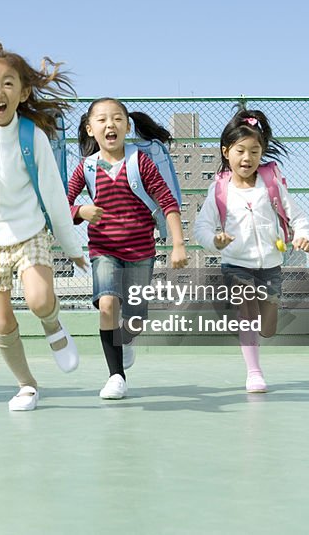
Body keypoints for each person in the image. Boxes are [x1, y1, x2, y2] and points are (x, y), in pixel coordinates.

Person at [0, 40, 85, 412]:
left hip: (28, 231)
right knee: (1, 320)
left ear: (23, 91)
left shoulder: (32, 135)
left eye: (9, 83)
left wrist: (71, 246)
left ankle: (53, 325)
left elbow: (54, 194)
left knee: (40, 300)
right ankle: (26, 384)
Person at [67, 97, 187, 399]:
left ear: (127, 126)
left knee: (134, 319)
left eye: (118, 118)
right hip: (103, 249)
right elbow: (62, 203)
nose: (111, 124)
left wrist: (178, 245)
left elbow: (167, 201)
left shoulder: (140, 161)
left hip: (141, 251)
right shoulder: (87, 168)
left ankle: (128, 337)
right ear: (90, 128)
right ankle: (115, 375)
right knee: (107, 305)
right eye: (103, 119)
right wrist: (81, 211)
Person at [195, 109, 309, 393]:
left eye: (254, 151)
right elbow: (201, 228)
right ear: (226, 152)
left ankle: (263, 334)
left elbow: (297, 217)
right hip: (235, 263)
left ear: (262, 153)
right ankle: (254, 372)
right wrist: (216, 242)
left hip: (270, 264)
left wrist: (304, 236)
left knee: (268, 327)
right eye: (240, 151)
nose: (247, 158)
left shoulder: (270, 184)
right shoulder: (219, 189)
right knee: (245, 311)